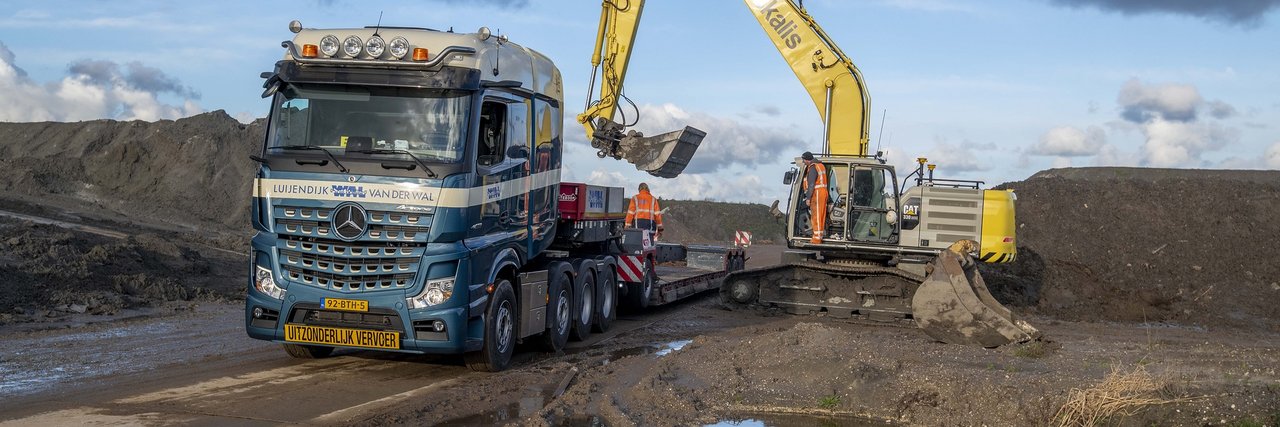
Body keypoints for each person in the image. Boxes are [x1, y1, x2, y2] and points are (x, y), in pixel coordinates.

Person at [801, 151, 828, 244]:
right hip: (821, 193)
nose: (803, 162)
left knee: (816, 216)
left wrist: (808, 198)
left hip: (817, 193)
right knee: (820, 215)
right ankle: (818, 236)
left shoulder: (813, 168)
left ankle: (817, 238)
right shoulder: (820, 165)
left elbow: (811, 184)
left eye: (804, 160)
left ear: (807, 160)